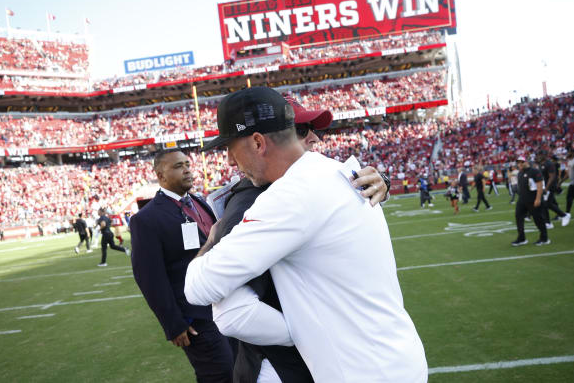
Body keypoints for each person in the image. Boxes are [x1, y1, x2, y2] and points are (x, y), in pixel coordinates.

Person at [185, 87, 428, 383]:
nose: (229, 162)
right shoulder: (338, 172)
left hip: (360, 370)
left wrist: (215, 236)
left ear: (258, 142)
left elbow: (198, 287)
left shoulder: (291, 193)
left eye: (230, 149)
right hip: (396, 355)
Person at [130, 150, 234, 383]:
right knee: (220, 374)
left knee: (238, 370)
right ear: (160, 175)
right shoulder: (146, 219)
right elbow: (150, 278)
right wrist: (173, 324)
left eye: (188, 164)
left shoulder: (198, 201)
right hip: (195, 316)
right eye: (178, 166)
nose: (187, 169)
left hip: (225, 304)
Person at [511, 156, 549, 246]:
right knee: (518, 217)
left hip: (533, 200)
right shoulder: (520, 173)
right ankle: (521, 238)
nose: (519, 164)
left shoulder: (534, 171)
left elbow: (539, 185)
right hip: (522, 200)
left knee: (538, 219)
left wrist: (538, 199)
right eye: (518, 162)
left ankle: (544, 238)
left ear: (526, 162)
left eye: (521, 162)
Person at [535, 150, 570, 228]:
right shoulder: (541, 164)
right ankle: (548, 223)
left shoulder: (549, 164)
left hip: (550, 186)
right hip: (545, 186)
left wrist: (547, 188)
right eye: (538, 154)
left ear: (545, 155)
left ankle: (564, 215)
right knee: (544, 204)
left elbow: (552, 177)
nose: (539, 156)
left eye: (540, 154)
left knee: (547, 204)